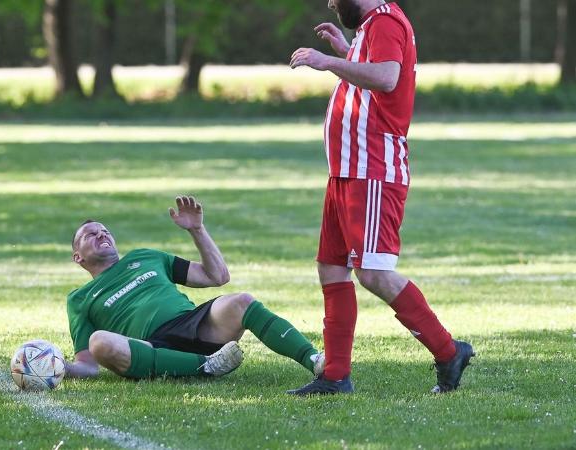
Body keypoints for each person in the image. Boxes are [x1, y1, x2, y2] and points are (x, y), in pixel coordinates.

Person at [287, 0, 474, 395]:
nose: (331, 3)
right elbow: (377, 71)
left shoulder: (386, 22)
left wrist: (329, 62)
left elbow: (388, 78)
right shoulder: (373, 23)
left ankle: (447, 351)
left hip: (372, 171)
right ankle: (335, 376)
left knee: (372, 271)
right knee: (332, 267)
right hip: (347, 171)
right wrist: (346, 50)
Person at [63, 196, 324, 381]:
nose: (102, 235)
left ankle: (315, 360)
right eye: (90, 235)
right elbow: (88, 366)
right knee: (100, 342)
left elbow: (217, 275)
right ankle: (205, 366)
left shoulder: (146, 256)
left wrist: (198, 230)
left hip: (193, 324)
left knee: (241, 301)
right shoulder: (79, 299)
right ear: (78, 257)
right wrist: (58, 367)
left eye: (105, 231)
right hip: (149, 346)